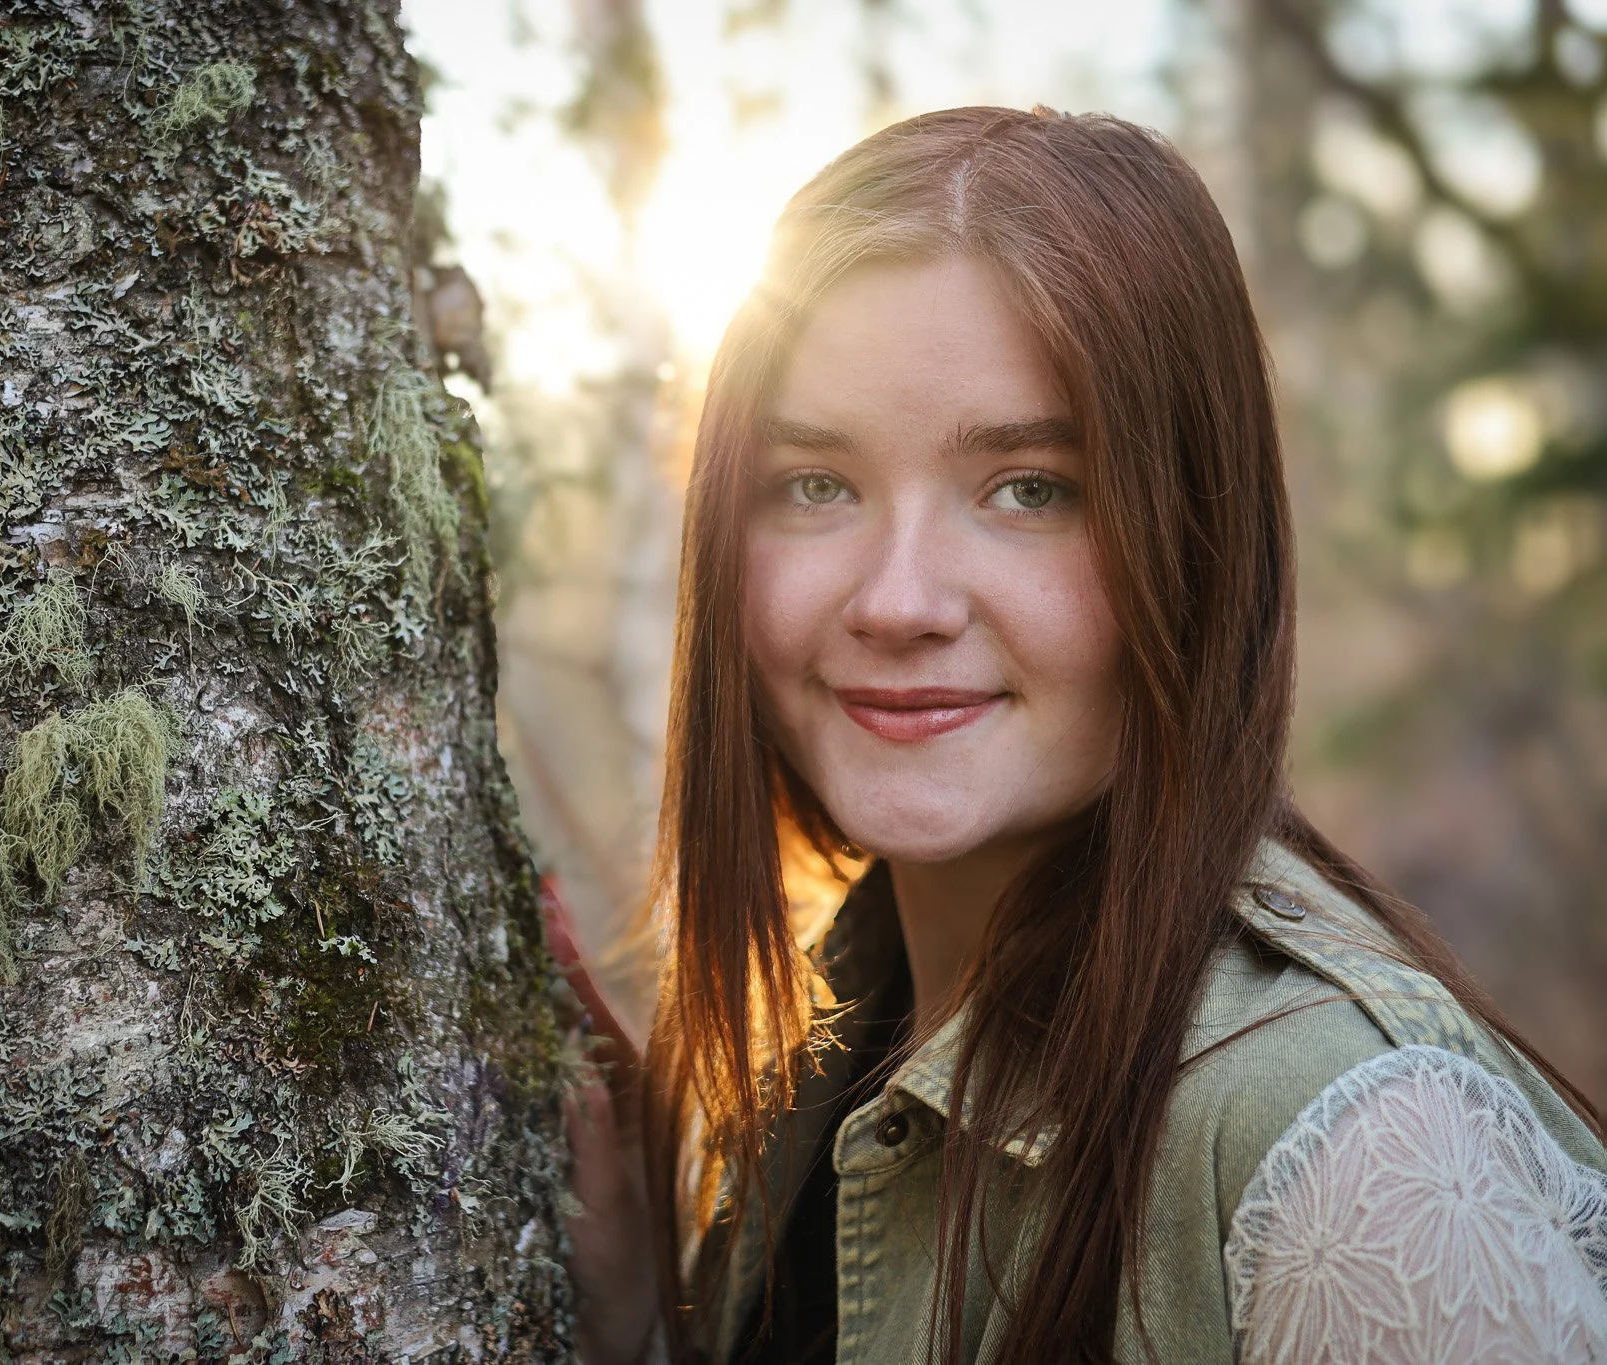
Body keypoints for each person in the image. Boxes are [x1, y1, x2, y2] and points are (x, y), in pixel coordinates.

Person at [553, 105, 1607, 1365]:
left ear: (1197, 541)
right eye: (816, 486)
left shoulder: (1366, 1166)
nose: (896, 601)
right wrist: (634, 1333)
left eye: (1029, 490)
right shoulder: (837, 1055)